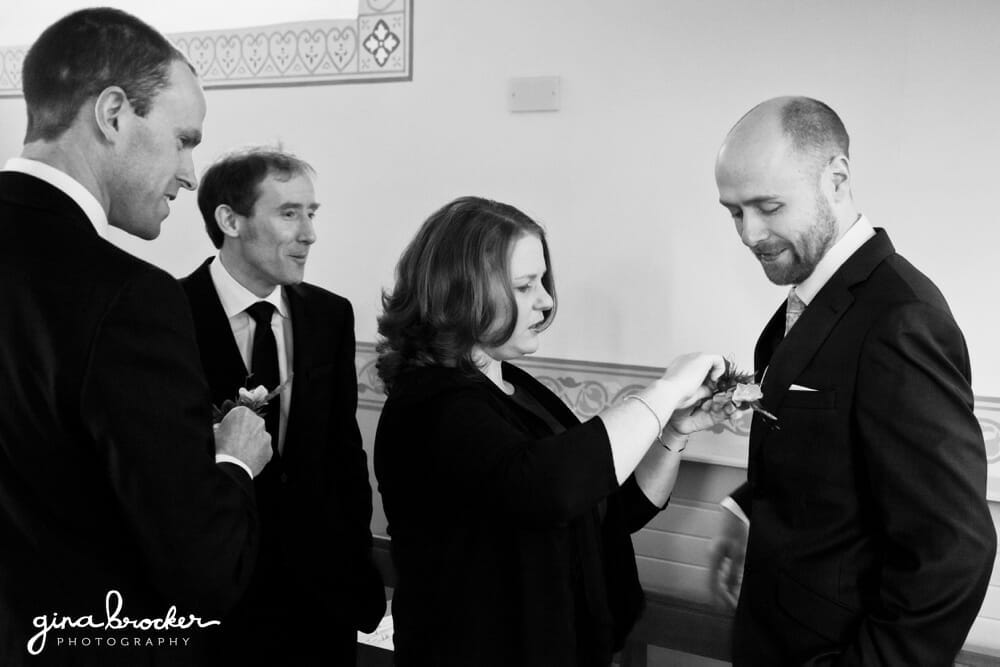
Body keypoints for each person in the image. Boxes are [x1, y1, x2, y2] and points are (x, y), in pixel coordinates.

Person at [0, 8, 272, 667]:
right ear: (114, 114)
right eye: (183, 140)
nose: (190, 173)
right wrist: (234, 462)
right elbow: (202, 570)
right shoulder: (131, 297)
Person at [374, 196, 735, 666]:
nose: (545, 300)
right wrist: (666, 390)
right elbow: (550, 488)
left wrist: (673, 432)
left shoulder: (516, 385)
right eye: (525, 286)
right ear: (461, 292)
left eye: (542, 281)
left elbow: (606, 505)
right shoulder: (430, 404)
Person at [708, 96, 995, 665]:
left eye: (768, 206)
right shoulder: (807, 303)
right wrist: (747, 512)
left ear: (836, 179)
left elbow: (951, 550)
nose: (749, 233)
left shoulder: (902, 320)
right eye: (735, 212)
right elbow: (832, 459)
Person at [181, 148, 386, 664]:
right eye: (289, 213)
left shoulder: (330, 315)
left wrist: (356, 566)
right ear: (230, 220)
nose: (309, 234)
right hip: (218, 600)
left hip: (321, 598)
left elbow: (344, 453)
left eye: (311, 213)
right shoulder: (167, 314)